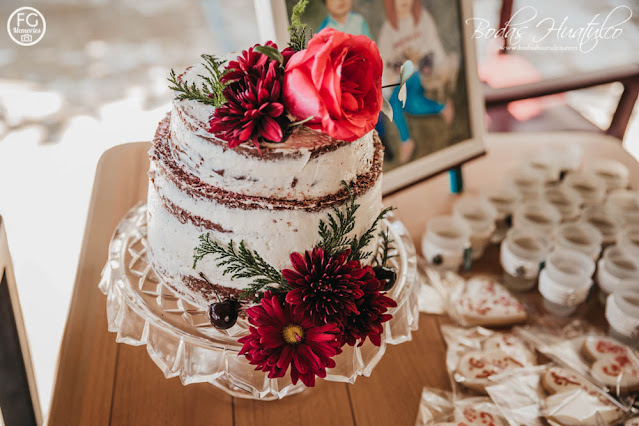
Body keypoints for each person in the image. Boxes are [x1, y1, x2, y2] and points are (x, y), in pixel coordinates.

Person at [377, 0, 453, 164]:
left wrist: (429, 60)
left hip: (420, 72)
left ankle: (406, 141)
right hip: (398, 76)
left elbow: (434, 46)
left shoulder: (423, 19)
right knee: (411, 105)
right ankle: (441, 107)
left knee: (396, 101)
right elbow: (384, 60)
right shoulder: (388, 29)